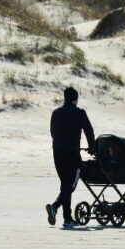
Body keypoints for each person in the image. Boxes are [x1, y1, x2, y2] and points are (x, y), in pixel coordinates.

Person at [46, 87, 95, 227]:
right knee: (71, 185)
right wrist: (92, 147)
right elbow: (88, 130)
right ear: (76, 99)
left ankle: (67, 218)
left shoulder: (55, 113)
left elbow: (52, 132)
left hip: (57, 153)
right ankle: (55, 207)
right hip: (72, 154)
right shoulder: (79, 113)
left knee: (65, 184)